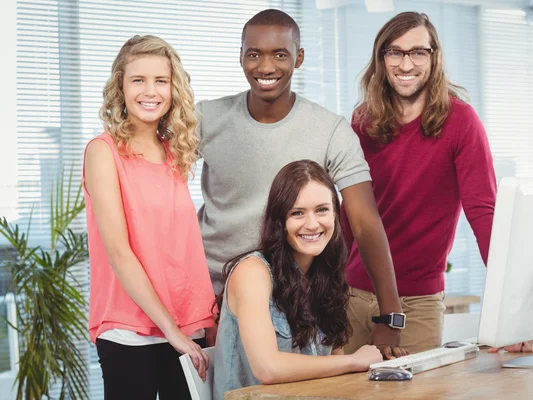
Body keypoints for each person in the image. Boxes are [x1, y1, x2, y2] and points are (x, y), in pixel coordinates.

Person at [197, 8, 405, 358]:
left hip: (296, 306)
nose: (265, 67)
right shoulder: (206, 119)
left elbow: (365, 222)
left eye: (280, 54)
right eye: (254, 54)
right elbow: (159, 192)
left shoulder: (330, 130)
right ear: (241, 57)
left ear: (299, 58)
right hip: (216, 302)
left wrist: (391, 314)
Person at [342, 12, 533, 355]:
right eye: (395, 52)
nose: (406, 63)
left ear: (434, 57)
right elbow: (348, 217)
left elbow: (484, 214)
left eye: (418, 52)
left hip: (418, 304)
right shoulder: (362, 122)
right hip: (353, 298)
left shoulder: (461, 122)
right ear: (381, 59)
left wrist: (514, 311)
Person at [83, 35, 216, 400]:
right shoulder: (102, 152)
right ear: (120, 88)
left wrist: (206, 320)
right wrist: (170, 331)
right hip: (129, 329)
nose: (150, 91)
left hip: (188, 327)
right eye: (138, 80)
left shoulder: (176, 153)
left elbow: (181, 250)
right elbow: (120, 252)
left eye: (161, 80)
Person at [212, 160, 385, 399]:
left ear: (335, 214)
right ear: (280, 221)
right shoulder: (253, 272)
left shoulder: (325, 275)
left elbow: (336, 374)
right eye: (297, 213)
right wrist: (354, 361)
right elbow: (268, 368)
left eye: (322, 209)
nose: (312, 224)